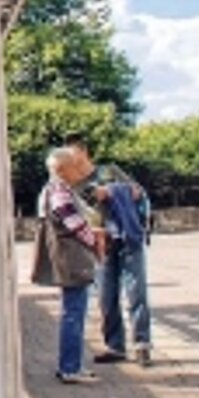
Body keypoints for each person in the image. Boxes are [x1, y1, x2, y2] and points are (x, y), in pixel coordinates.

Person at [65, 135, 153, 366]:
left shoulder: (109, 171)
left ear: (84, 152)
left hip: (128, 238)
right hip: (100, 243)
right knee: (106, 296)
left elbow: (137, 192)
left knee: (136, 292)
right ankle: (115, 345)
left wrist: (113, 191)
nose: (72, 160)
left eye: (73, 154)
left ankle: (142, 344)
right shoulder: (73, 183)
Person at [38, 146, 104, 384]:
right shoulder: (60, 191)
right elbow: (74, 223)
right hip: (72, 258)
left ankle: (72, 364)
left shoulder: (53, 189)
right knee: (74, 313)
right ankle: (69, 367)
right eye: (74, 166)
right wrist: (94, 240)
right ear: (62, 170)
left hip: (68, 257)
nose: (79, 170)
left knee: (73, 311)